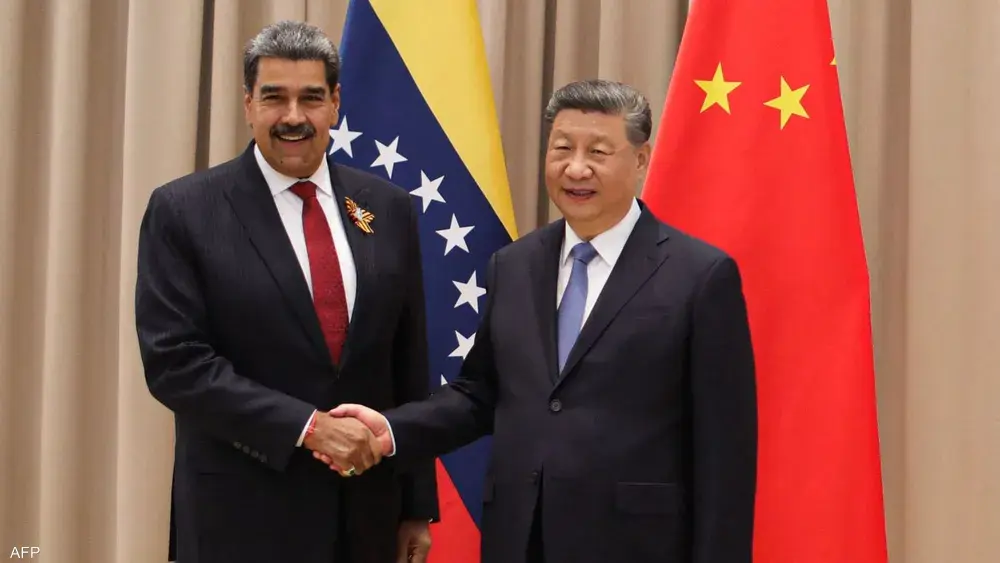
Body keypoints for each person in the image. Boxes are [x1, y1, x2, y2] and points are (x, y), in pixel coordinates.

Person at [325, 79, 758, 563]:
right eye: (562, 149)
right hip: (519, 537)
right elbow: (479, 393)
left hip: (637, 544)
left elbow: (725, 454)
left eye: (598, 152)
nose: (576, 168)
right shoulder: (514, 265)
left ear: (640, 160)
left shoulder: (699, 276)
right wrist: (391, 429)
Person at [134, 20, 437, 563]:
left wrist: (416, 505)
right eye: (275, 97)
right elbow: (175, 364)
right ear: (248, 104)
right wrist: (309, 428)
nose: (293, 116)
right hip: (240, 517)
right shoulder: (184, 211)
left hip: (366, 517)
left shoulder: (388, 208)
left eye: (311, 98)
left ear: (335, 104)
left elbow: (407, 362)